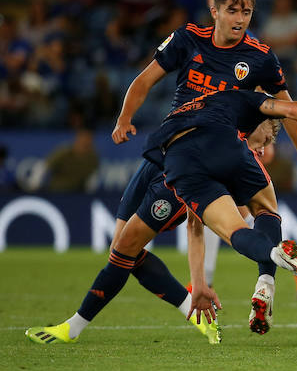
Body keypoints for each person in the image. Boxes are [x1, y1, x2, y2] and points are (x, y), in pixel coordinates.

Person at [109, 0, 297, 333]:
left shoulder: (259, 56)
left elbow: (291, 109)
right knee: (121, 248)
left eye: (248, 12)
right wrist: (124, 118)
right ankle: (241, 281)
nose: (240, 19)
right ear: (215, 10)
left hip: (211, 151)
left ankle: (217, 289)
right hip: (168, 147)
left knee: (219, 215)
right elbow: (145, 79)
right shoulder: (188, 39)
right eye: (233, 10)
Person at [24, 119, 279, 345]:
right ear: (255, 123)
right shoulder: (223, 130)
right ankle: (195, 308)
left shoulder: (229, 149)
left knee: (124, 253)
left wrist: (201, 280)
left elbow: (199, 224)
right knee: (122, 252)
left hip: (170, 185)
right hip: (153, 171)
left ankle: (72, 328)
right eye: (266, 137)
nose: (265, 147)